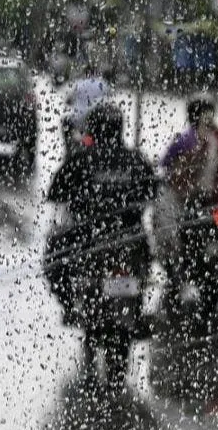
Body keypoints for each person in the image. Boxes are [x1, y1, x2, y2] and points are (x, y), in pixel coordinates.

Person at [44, 104, 157, 325]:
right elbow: (152, 192)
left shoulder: (79, 159)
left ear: (93, 129)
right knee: (144, 258)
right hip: (129, 237)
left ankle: (69, 306)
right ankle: (138, 307)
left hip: (87, 237)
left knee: (54, 257)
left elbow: (55, 192)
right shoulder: (136, 160)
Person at [154, 96, 218, 287]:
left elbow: (166, 165)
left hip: (196, 204)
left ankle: (176, 268)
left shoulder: (187, 139)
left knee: (169, 233)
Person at [66, 63, 112, 137]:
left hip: (78, 119)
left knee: (67, 128)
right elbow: (109, 98)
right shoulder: (103, 84)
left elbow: (69, 99)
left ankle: (69, 144)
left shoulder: (79, 84)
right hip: (97, 119)